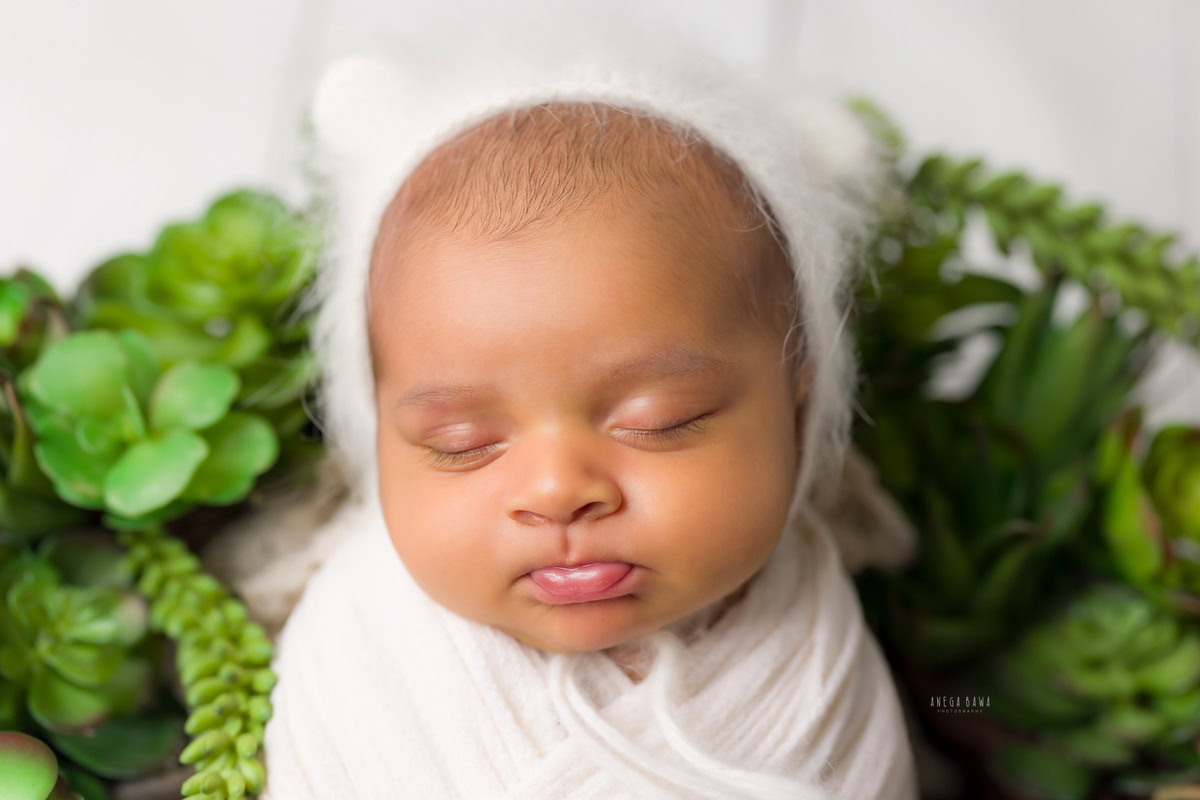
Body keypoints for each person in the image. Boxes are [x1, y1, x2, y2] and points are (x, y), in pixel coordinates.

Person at [259, 21, 919, 799]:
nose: (557, 490)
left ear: (799, 405)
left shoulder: (814, 664)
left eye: (659, 420)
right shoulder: (358, 651)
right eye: (462, 441)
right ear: (378, 440)